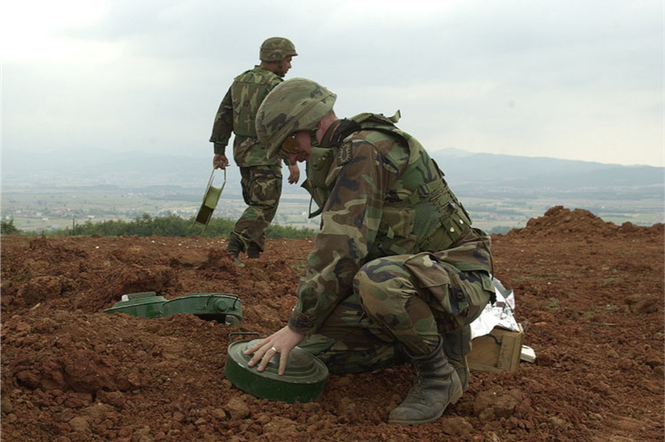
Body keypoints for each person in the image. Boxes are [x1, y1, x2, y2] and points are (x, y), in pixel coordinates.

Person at [244, 78, 496, 425]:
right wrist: (307, 329)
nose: (292, 155)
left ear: (314, 124)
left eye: (289, 141)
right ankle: (431, 338)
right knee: (320, 351)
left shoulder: (364, 150)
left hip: (457, 278)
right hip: (422, 278)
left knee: (376, 281)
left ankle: (439, 375)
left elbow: (340, 250)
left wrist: (297, 324)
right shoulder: (342, 152)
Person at [209, 37, 300, 260]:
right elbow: (283, 126)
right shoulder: (276, 86)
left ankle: (253, 252)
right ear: (276, 59)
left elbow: (224, 115)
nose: (289, 65)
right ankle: (233, 248)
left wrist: (219, 150)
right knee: (264, 204)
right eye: (288, 60)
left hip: (241, 151)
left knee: (255, 202)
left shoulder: (239, 81)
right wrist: (292, 161)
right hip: (265, 153)